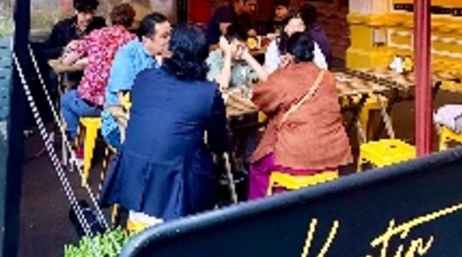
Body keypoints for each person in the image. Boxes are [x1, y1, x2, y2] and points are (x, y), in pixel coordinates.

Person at [99, 24, 230, 223]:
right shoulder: (208, 93)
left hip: (132, 182)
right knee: (205, 158)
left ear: (170, 51)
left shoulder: (143, 78)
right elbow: (219, 144)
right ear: (203, 56)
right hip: (174, 195)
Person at [247, 33, 351, 199]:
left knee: (258, 167)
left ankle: (260, 214)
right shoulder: (327, 77)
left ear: (288, 55)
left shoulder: (283, 77)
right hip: (331, 153)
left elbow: (260, 98)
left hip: (297, 155)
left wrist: (282, 70)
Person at [59, 4, 136, 143]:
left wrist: (75, 51)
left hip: (91, 105)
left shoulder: (96, 35)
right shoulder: (134, 41)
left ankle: (76, 140)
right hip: (120, 107)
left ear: (110, 19)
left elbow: (67, 61)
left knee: (65, 99)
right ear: (131, 21)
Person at [100, 12, 172, 148]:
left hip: (156, 120)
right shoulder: (127, 57)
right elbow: (124, 103)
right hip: (122, 125)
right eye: (164, 36)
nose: (170, 40)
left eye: (170, 34)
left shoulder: (164, 55)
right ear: (146, 40)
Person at [43, 0, 107, 59]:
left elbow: (107, 46)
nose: (89, 17)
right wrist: (65, 49)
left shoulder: (100, 24)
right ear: (76, 11)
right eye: (84, 13)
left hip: (92, 65)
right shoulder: (62, 27)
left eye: (92, 13)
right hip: (68, 67)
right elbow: (46, 51)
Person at [263, 12, 327, 73]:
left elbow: (322, 66)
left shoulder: (309, 44)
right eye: (293, 26)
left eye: (300, 26)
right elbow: (270, 70)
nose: (296, 30)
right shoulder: (276, 45)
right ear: (285, 28)